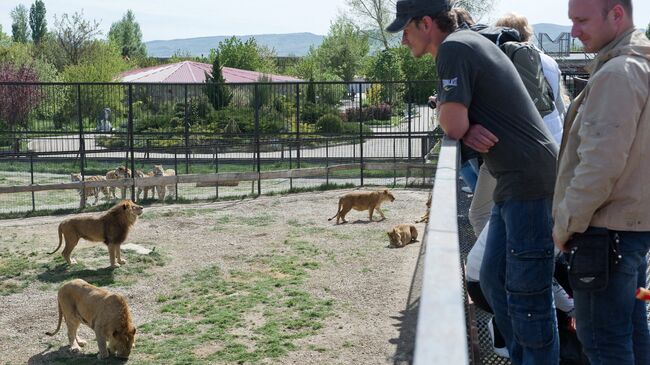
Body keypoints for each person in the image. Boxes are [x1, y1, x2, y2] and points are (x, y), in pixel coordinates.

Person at [386, 1, 560, 364]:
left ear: (426, 23)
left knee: (529, 296)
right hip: (516, 178)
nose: (402, 39)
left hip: (527, 182)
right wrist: (463, 127)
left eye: (405, 29)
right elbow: (459, 125)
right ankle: (522, 356)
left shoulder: (452, 49)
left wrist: (459, 125)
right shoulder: (466, 41)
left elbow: (452, 124)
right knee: (494, 279)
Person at [552, 0, 650, 364]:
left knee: (603, 342)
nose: (574, 31)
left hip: (604, 235)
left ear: (617, 15)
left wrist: (565, 224)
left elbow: (598, 165)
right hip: (629, 232)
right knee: (632, 331)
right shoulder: (638, 66)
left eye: (581, 20)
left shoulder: (617, 74)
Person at [495, 12, 566, 144]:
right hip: (553, 137)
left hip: (520, 139)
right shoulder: (548, 61)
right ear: (527, 33)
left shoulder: (500, 61)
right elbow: (559, 104)